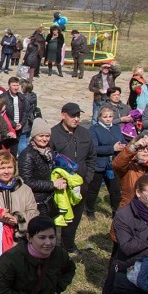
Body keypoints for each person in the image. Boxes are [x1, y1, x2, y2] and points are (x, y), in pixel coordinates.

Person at [50, 102, 96, 254]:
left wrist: (88, 177)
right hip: (61, 185)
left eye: (78, 116)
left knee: (75, 217)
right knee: (59, 216)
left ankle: (69, 245)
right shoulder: (53, 134)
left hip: (80, 184)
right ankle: (54, 247)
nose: (76, 119)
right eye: (72, 116)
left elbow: (91, 156)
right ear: (63, 115)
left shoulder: (85, 133)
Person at [85, 108, 125, 216]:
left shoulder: (116, 128)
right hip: (99, 164)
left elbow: (122, 140)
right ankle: (90, 211)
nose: (108, 119)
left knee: (115, 190)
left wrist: (123, 145)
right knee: (93, 190)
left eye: (110, 116)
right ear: (100, 117)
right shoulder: (94, 129)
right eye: (105, 117)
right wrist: (112, 148)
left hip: (113, 165)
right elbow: (94, 148)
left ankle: (116, 212)